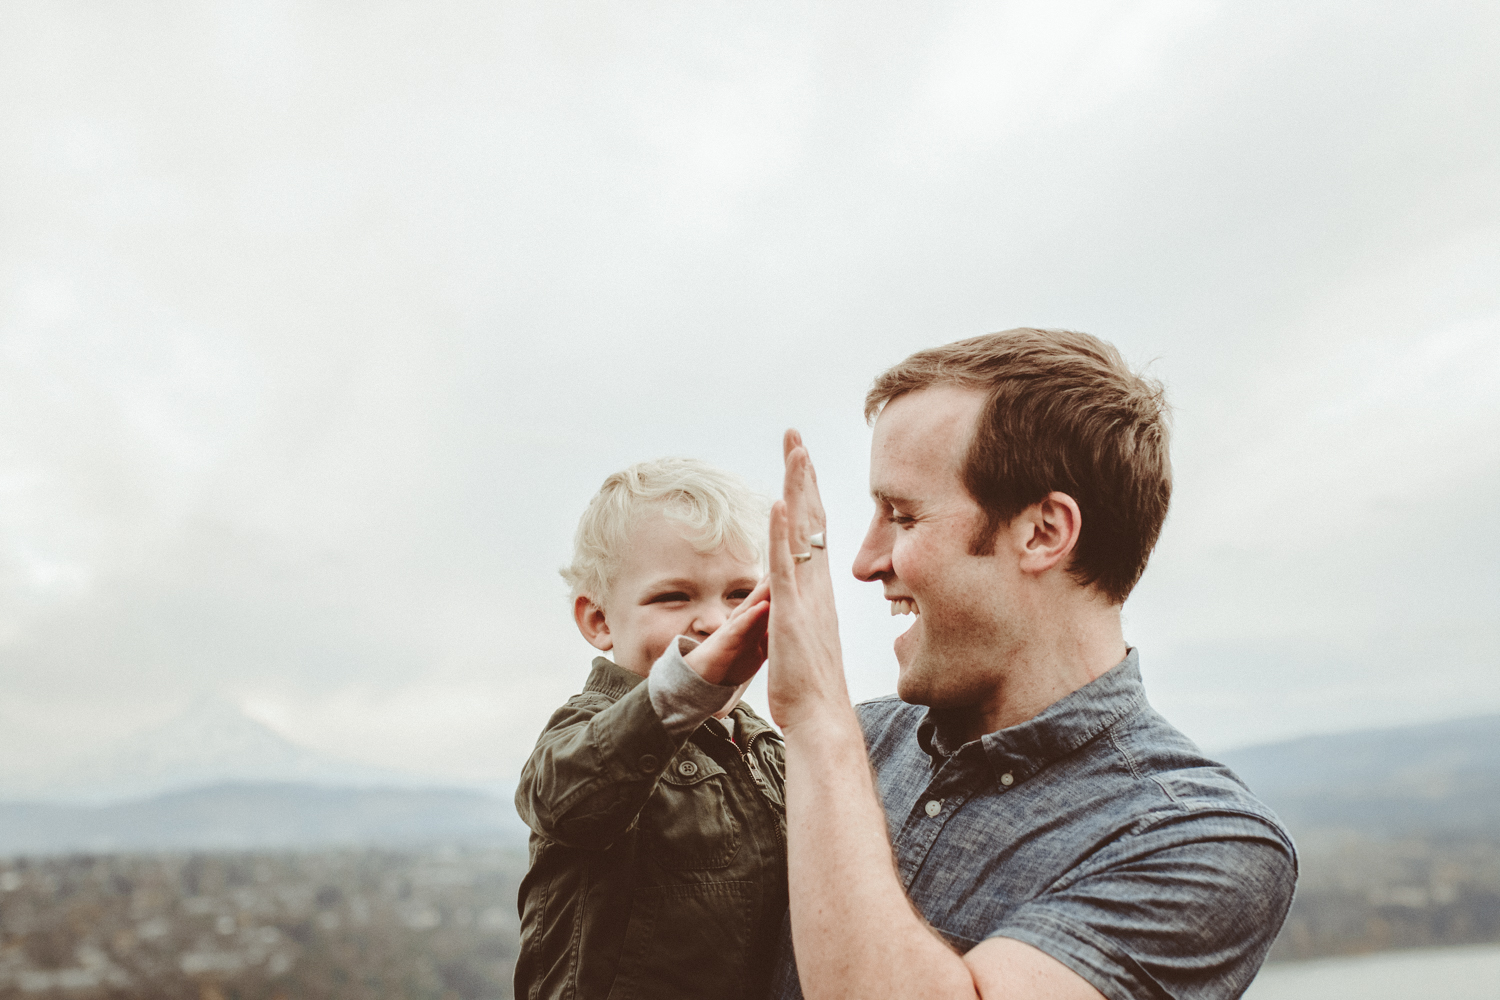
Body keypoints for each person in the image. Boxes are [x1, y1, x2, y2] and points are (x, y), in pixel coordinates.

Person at [763, 329, 1297, 1000]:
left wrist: (816, 715)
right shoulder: (854, 746)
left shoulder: (1198, 841)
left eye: (900, 516)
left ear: (1042, 532)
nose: (866, 562)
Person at [513, 458, 787, 1000]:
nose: (714, 621)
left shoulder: (766, 746)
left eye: (739, 595)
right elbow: (561, 798)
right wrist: (682, 691)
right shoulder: (586, 725)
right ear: (599, 620)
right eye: (674, 597)